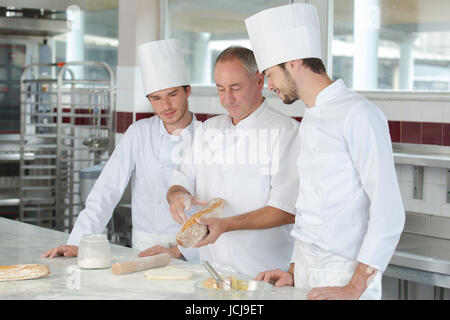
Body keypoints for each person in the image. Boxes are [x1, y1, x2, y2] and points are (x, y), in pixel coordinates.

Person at [245, 3, 405, 299]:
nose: (268, 85)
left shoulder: (359, 114)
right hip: (307, 273)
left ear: (293, 63)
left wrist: (354, 287)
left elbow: (389, 211)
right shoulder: (309, 117)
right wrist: (293, 271)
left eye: (270, 74)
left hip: (347, 276)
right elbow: (310, 205)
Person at [41, 39, 199, 262]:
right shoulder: (138, 133)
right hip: (143, 246)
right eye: (156, 98)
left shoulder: (207, 135)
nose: (166, 106)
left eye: (172, 94)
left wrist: (184, 250)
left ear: (187, 91)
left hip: (192, 248)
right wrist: (78, 243)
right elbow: (107, 188)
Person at [166, 46, 300, 277]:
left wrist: (227, 225)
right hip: (211, 272)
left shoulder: (286, 132)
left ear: (259, 81)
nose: (227, 99)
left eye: (236, 88)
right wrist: (177, 196)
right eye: (221, 89)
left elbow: (287, 209)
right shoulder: (209, 129)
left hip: (263, 275)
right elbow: (182, 179)